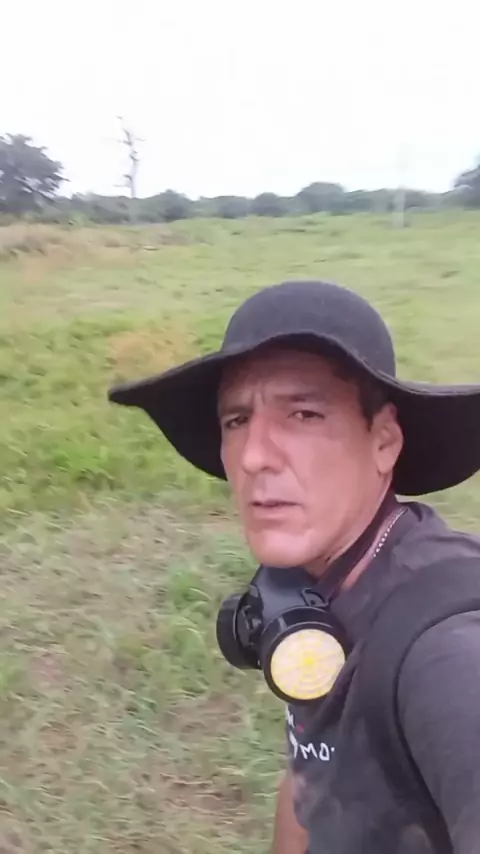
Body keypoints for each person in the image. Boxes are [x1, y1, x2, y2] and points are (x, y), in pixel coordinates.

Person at [109, 279, 480, 854]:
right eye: (236, 421)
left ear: (384, 441)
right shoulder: (312, 592)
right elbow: (310, 775)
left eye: (304, 414)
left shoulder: (447, 655)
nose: (254, 456)